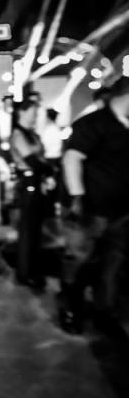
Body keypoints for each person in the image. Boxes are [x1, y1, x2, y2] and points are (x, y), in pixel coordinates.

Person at [57, 76, 129, 335]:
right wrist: (77, 198)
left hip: (120, 212)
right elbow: (72, 159)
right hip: (89, 210)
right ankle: (70, 309)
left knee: (112, 264)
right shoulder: (93, 124)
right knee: (79, 261)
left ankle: (105, 312)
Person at [9, 97, 52, 291]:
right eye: (33, 111)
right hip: (28, 182)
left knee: (35, 230)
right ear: (22, 112)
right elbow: (32, 160)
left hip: (36, 181)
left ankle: (33, 270)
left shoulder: (31, 133)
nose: (35, 115)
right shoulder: (19, 134)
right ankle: (25, 273)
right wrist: (50, 170)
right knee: (27, 230)